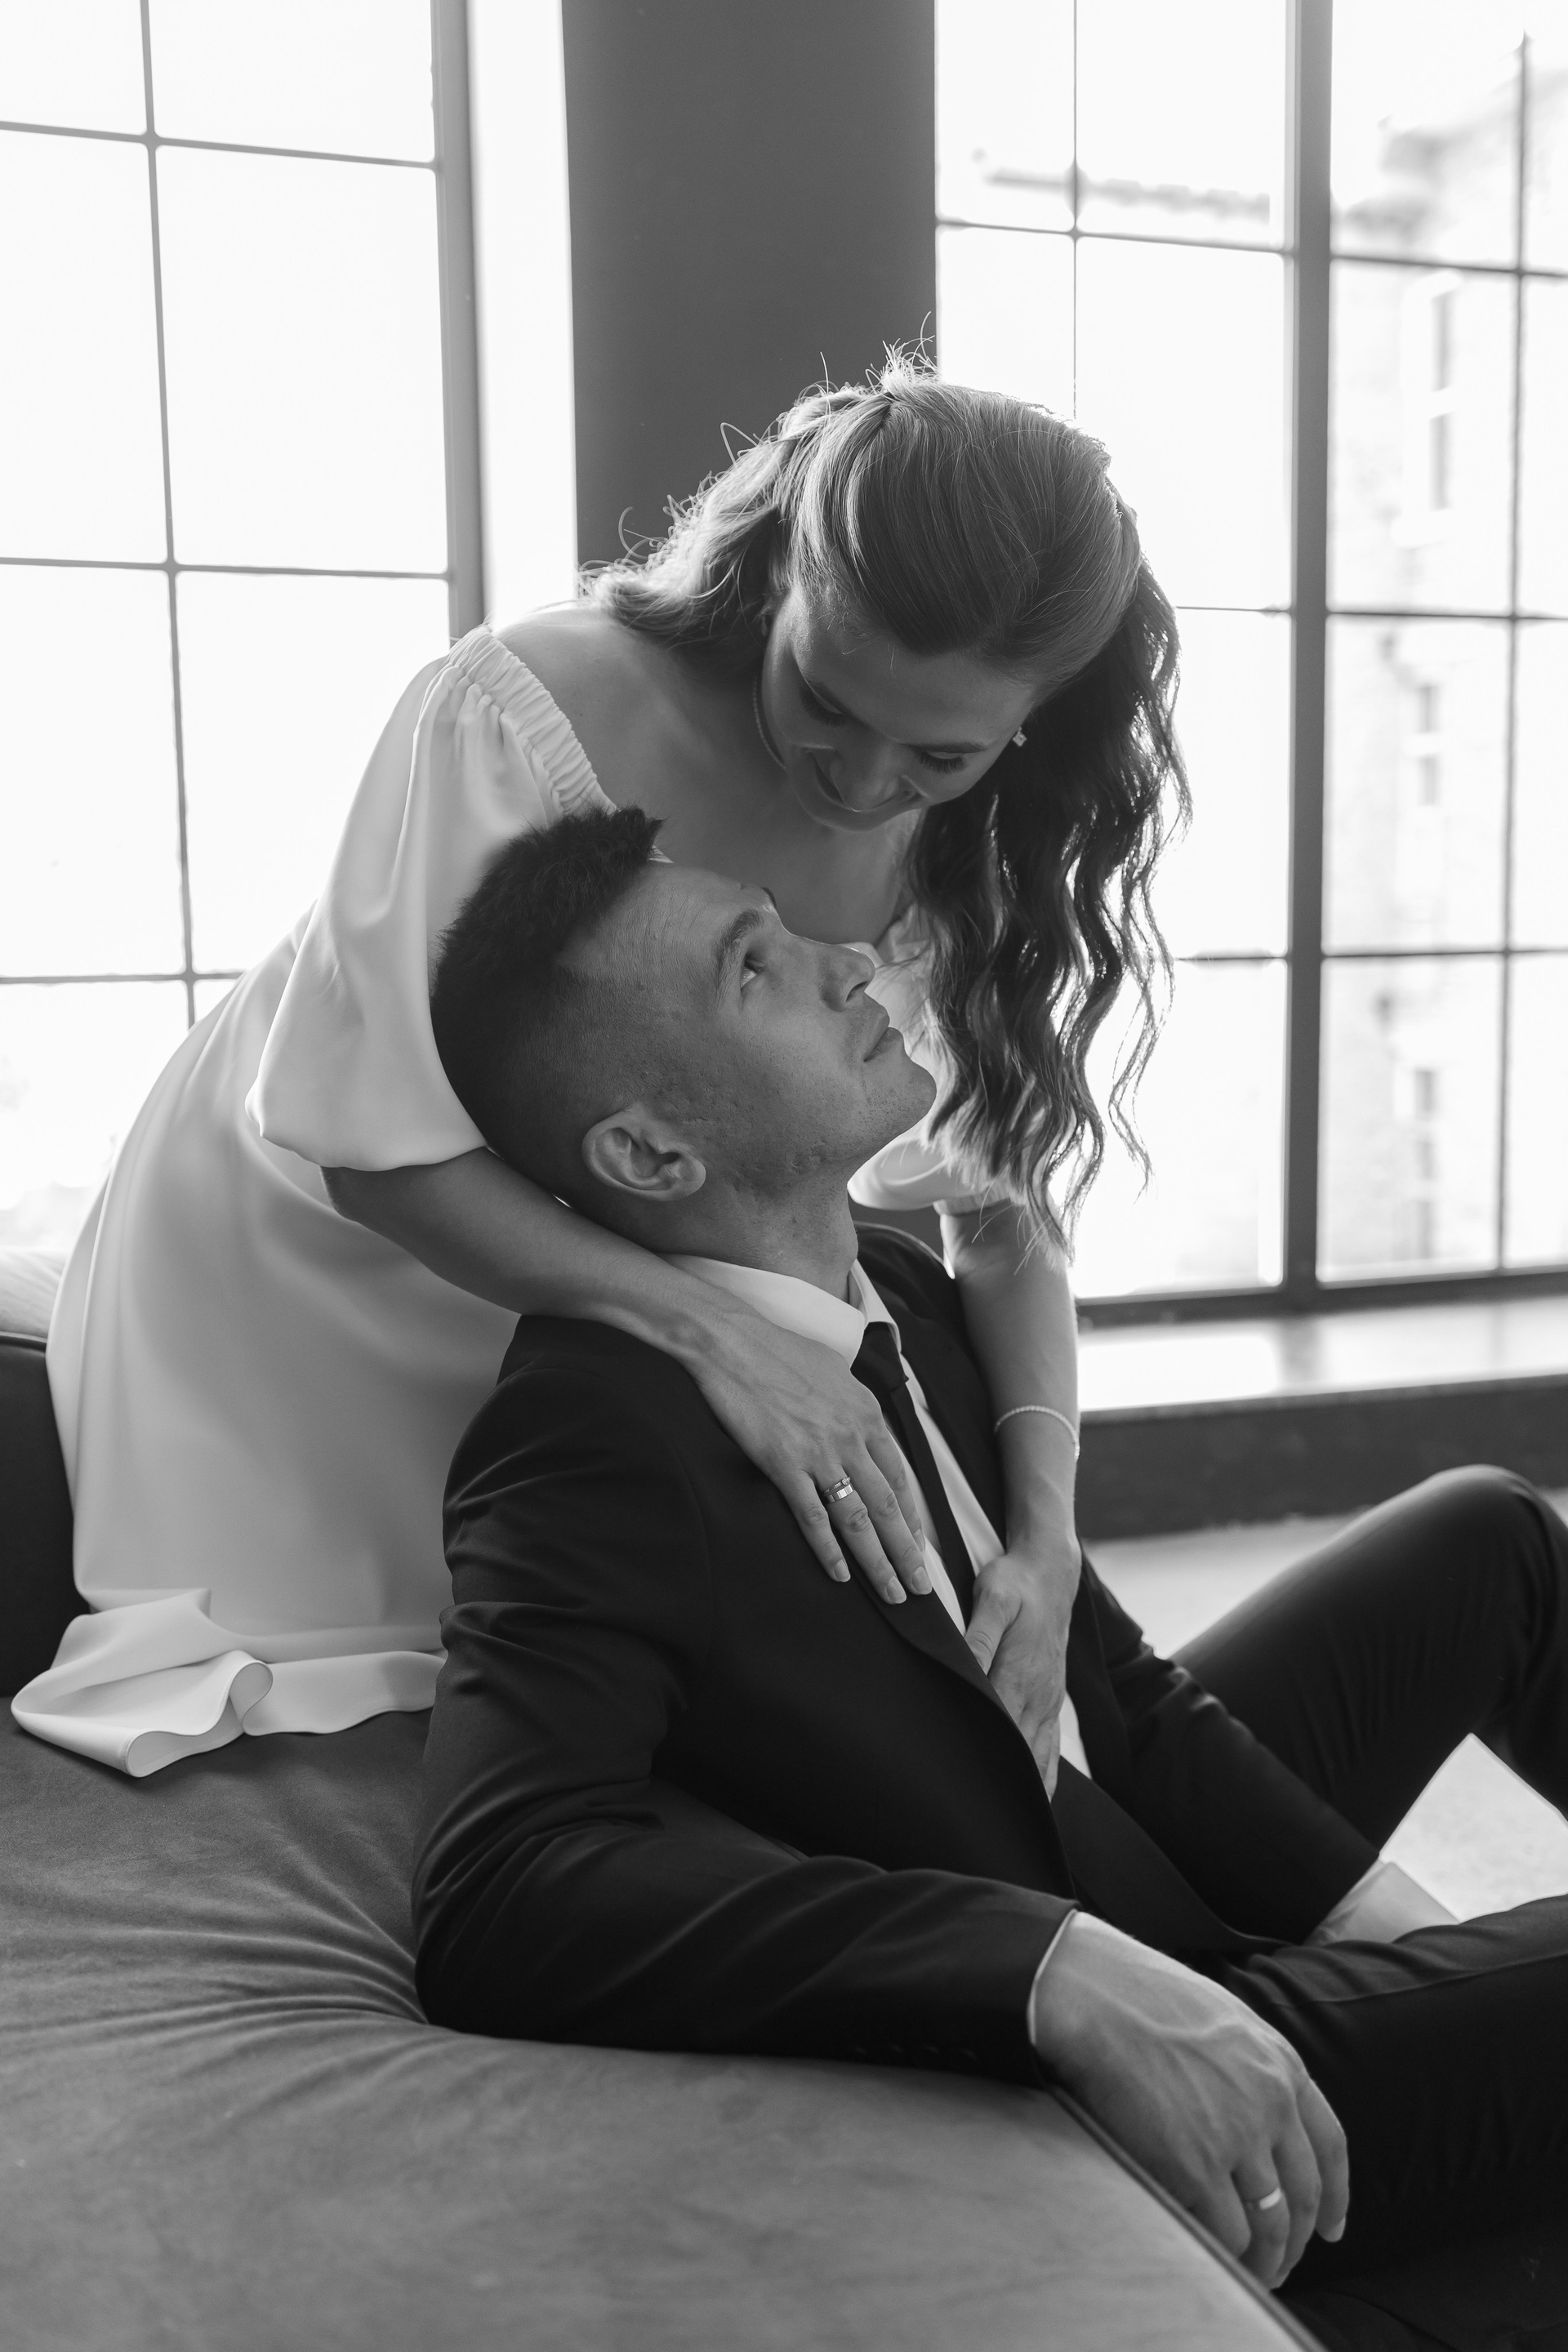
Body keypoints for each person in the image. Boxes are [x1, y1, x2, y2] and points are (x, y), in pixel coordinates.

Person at [414, 808, 1568, 2329]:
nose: (844, 961)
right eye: (755, 967)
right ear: (647, 1150)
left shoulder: (889, 1278)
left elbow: (1117, 1693)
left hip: (1126, 1847)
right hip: (1125, 2016)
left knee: (1490, 1535)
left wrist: (1388, 1928)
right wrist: (1045, 1967)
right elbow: (496, 1884)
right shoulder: (589, 1431)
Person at [20, 360, 1186, 1776]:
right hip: (303, 1259)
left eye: (938, 755)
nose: (863, 781)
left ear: (1029, 723)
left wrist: (1051, 1538)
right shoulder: (522, 706)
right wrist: (717, 1340)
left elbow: (996, 1201)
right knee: (386, 1716)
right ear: (787, 576)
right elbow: (367, 1151)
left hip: (597, 1335)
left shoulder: (981, 840)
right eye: (824, 698)